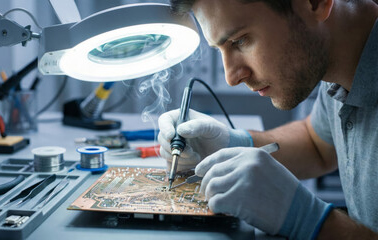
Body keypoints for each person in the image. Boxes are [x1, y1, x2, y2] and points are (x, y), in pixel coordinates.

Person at [158, 0, 378, 239]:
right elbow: (317, 145)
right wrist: (231, 143)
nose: (231, 77)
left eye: (240, 40)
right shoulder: (338, 62)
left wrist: (310, 220)